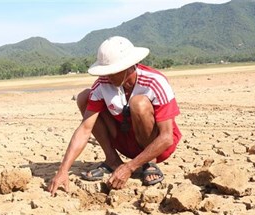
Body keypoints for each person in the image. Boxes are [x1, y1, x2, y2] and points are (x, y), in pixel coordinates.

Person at [48, 36, 181, 196]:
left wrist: (130, 167)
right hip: (125, 139)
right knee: (85, 97)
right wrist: (63, 170)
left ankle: (148, 164)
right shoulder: (103, 83)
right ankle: (112, 160)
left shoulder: (154, 82)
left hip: (156, 146)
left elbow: (167, 138)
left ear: (127, 67)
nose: (107, 76)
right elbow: (85, 128)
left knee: (138, 103)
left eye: (112, 72)